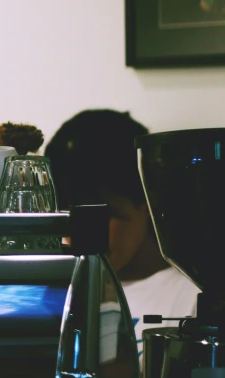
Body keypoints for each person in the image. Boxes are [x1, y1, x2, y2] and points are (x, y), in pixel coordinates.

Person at [45, 109, 199, 368]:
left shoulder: (192, 300)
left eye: (100, 215)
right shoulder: (55, 295)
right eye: (65, 216)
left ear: (147, 201)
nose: (78, 234)